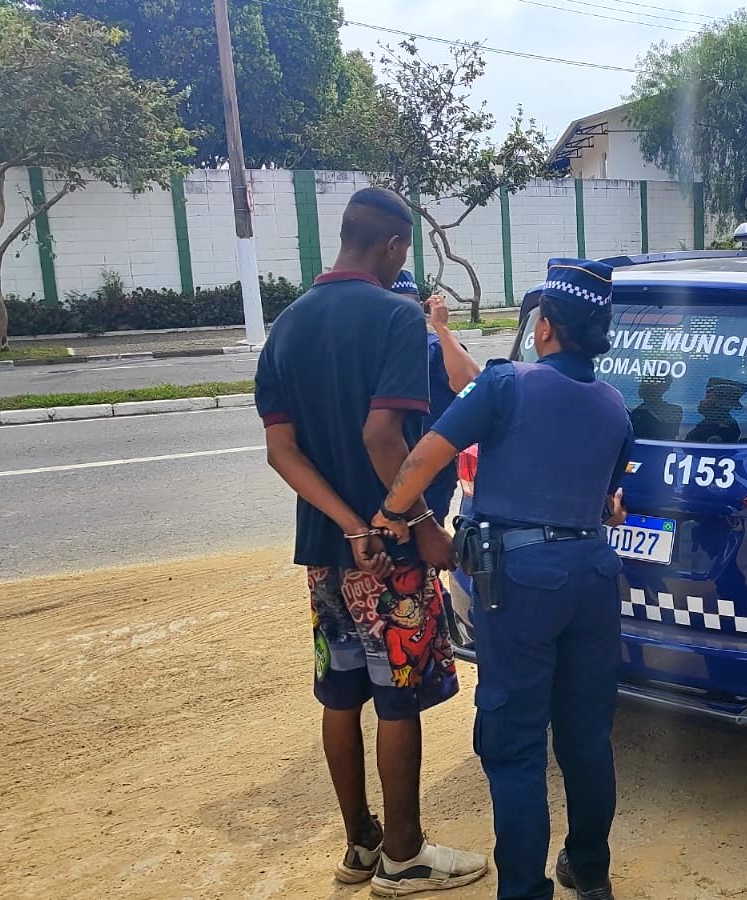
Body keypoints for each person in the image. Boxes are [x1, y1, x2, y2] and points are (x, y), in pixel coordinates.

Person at [370, 258, 633, 900]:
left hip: (519, 585)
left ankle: (523, 889)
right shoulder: (615, 407)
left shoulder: (505, 385)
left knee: (514, 747)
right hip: (593, 577)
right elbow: (608, 504)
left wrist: (389, 515)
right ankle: (590, 873)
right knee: (586, 737)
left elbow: (423, 456)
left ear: (544, 328)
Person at [254, 186, 487, 897]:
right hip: (390, 555)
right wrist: (415, 524)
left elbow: (281, 452)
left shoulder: (287, 325)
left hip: (328, 552)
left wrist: (346, 522)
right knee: (398, 700)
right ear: (390, 246)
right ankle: (405, 854)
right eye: (402, 252)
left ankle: (360, 843)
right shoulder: (394, 316)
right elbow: (382, 436)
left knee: (341, 692)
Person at [388, 271, 482, 523]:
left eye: (410, 306)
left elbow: (474, 384)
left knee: (427, 539)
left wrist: (441, 328)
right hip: (382, 465)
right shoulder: (372, 349)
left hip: (430, 470)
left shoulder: (434, 348)